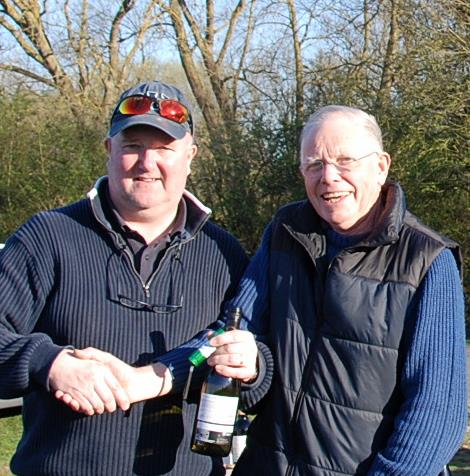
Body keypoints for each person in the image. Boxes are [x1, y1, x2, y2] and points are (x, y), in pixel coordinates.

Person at [0, 80, 268, 476]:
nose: (147, 162)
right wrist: (48, 362)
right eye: (132, 147)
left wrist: (254, 365)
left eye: (164, 149)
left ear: (190, 157)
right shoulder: (47, 236)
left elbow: (259, 371)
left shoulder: (224, 253)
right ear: (109, 150)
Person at [223, 105, 466, 475]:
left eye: (344, 161)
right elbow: (240, 331)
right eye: (314, 164)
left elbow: (436, 415)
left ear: (381, 166)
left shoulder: (426, 261)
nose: (328, 177)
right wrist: (249, 366)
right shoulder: (285, 233)